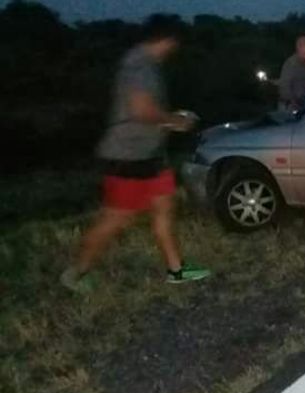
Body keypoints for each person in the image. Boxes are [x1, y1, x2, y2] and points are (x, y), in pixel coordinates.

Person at [60, 15, 210, 294]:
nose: (174, 49)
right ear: (166, 40)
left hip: (151, 154)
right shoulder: (139, 66)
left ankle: (176, 270)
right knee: (117, 218)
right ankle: (76, 273)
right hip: (128, 156)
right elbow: (142, 111)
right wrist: (176, 121)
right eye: (174, 43)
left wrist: (169, 120)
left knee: (165, 207)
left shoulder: (146, 64)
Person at [278, 35, 305, 112]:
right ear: (299, 48)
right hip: (290, 107)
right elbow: (284, 86)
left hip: (300, 105)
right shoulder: (291, 64)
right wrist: (292, 101)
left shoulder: (304, 64)